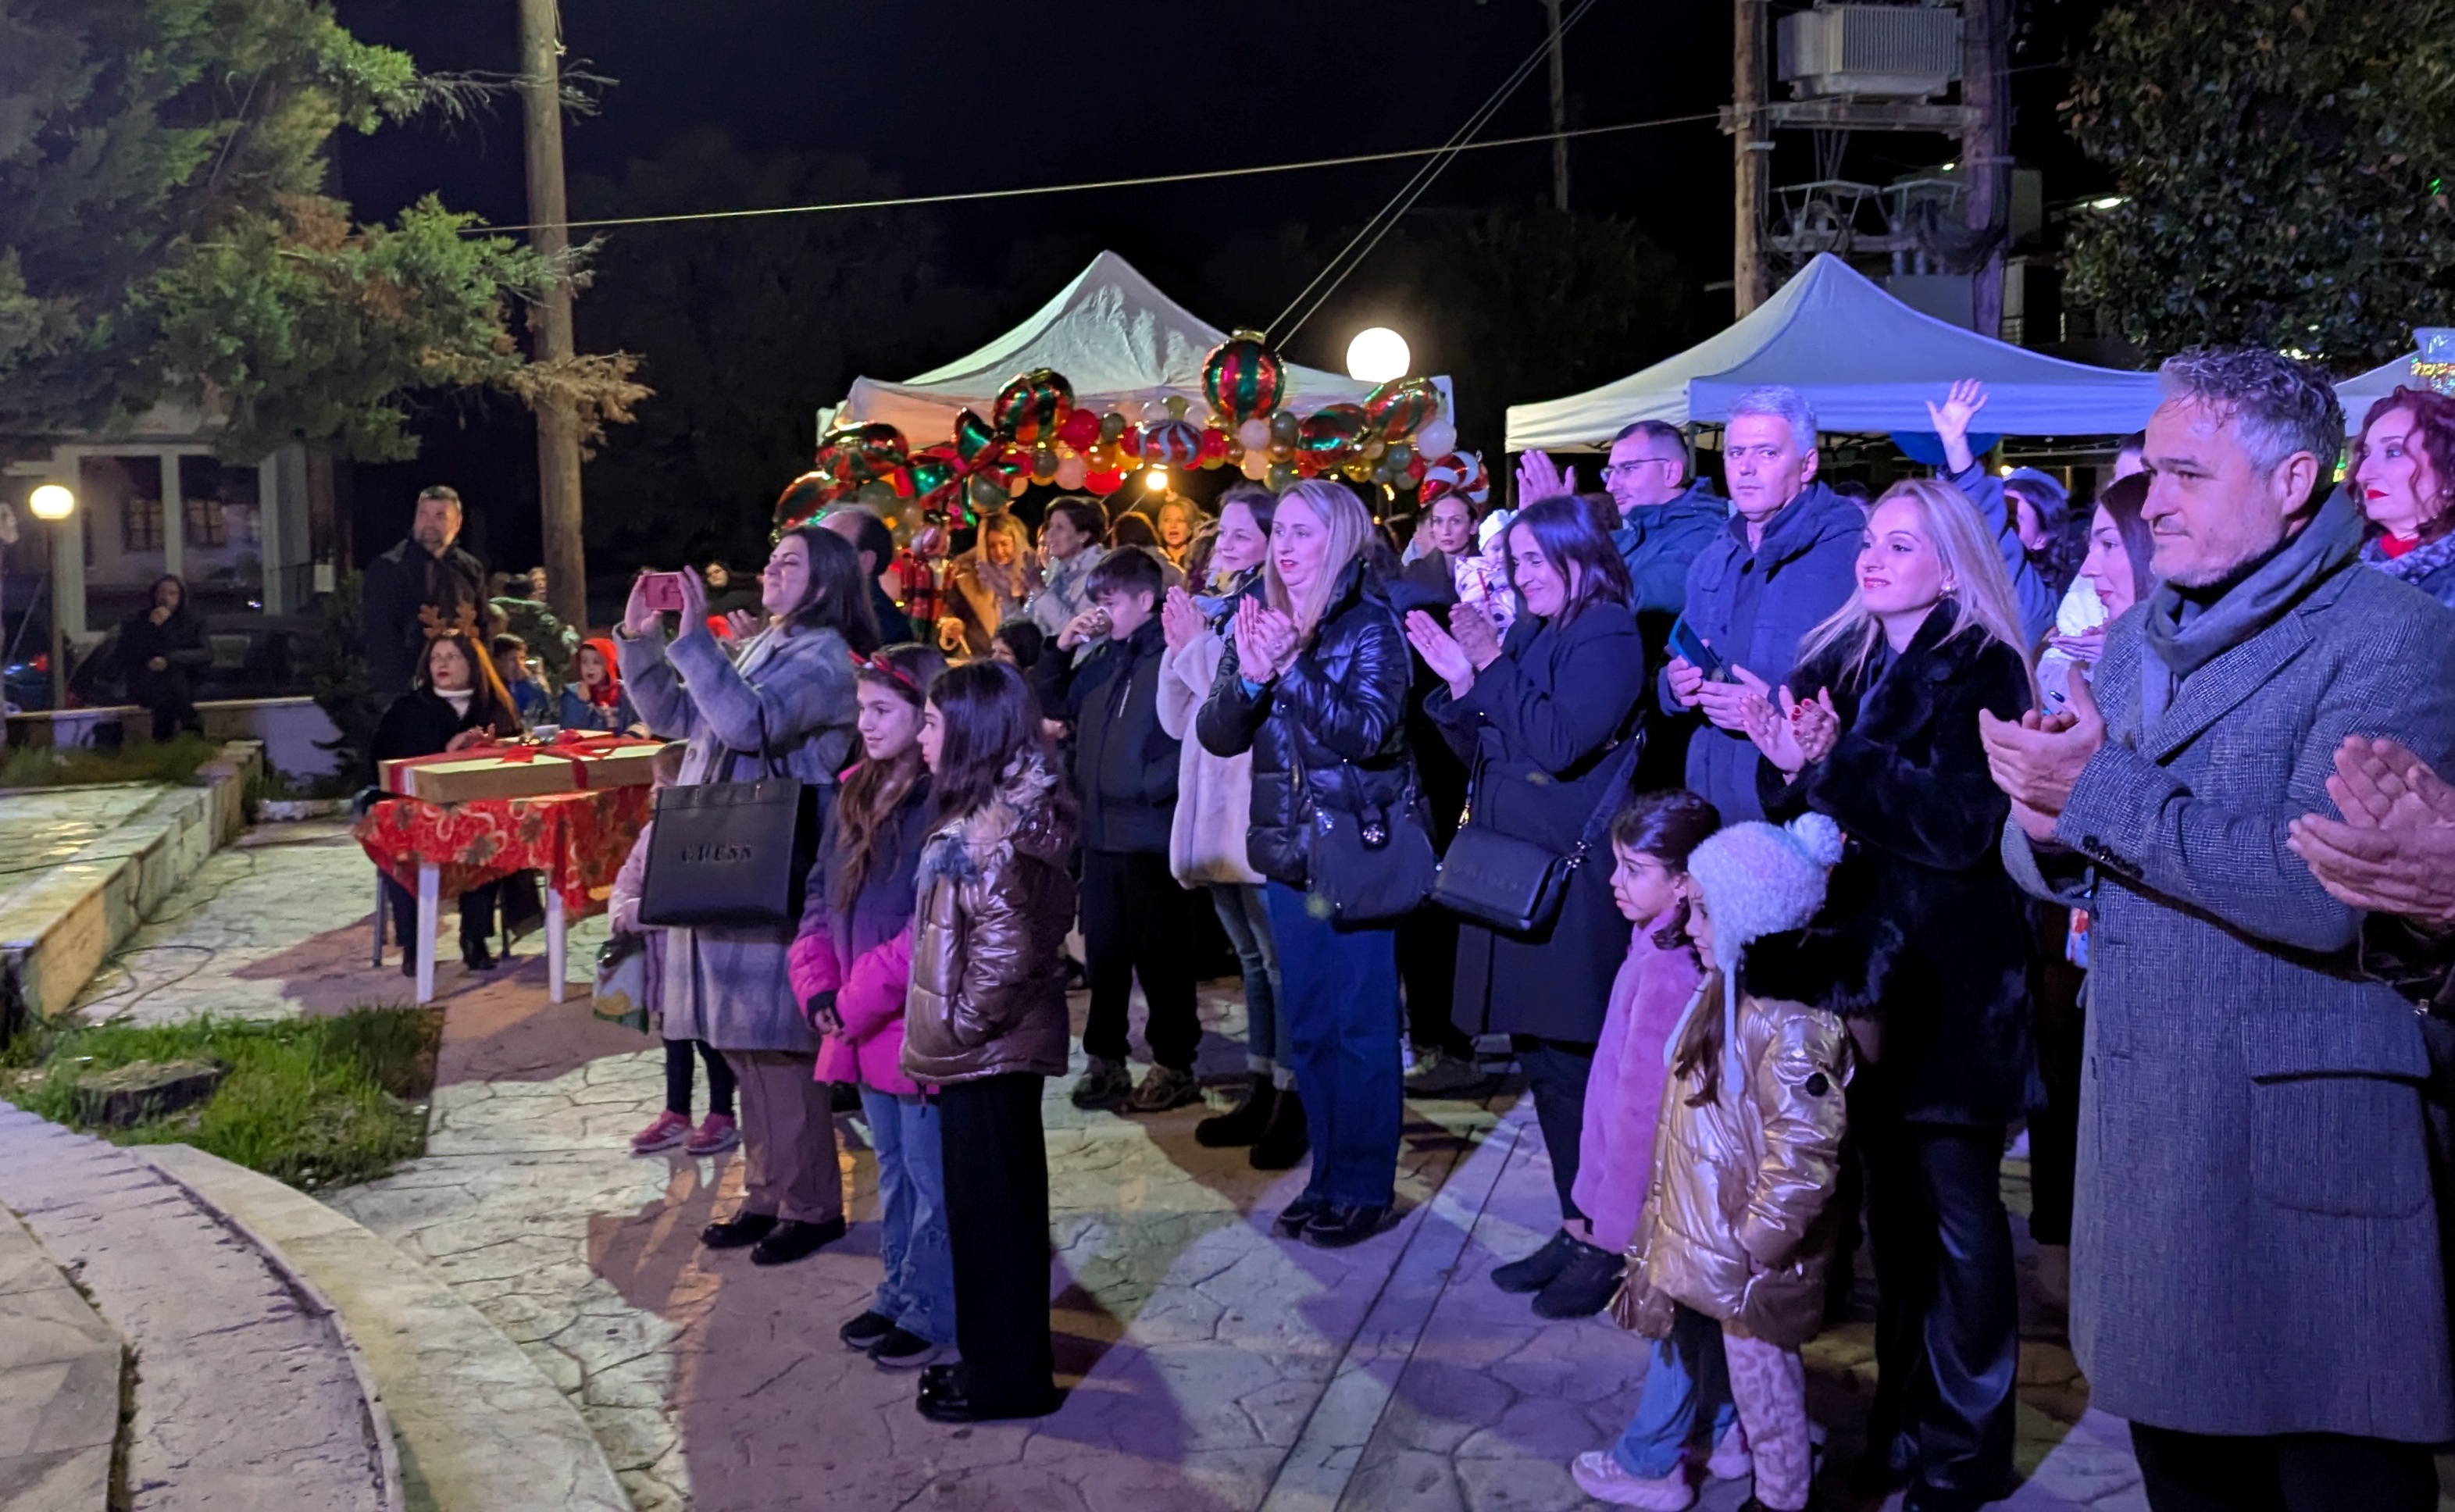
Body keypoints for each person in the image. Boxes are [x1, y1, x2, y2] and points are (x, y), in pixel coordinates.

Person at [1984, 348, 2455, 1512]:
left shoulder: (2389, 636)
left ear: (2292, 481)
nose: (2150, 503)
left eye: (2185, 474)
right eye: (2149, 473)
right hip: (2151, 1158)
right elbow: (2071, 846)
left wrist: (2090, 795)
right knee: (2187, 1486)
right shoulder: (2139, 634)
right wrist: (2040, 823)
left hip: (2302, 1170)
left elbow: (2319, 889)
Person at [1741, 478, 2036, 1509]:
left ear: (1948, 567)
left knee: (1959, 1223)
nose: (1871, 557)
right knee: (1889, 1223)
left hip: (1951, 987)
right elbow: (1803, 804)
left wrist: (1837, 759)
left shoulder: (1985, 665)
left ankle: (1964, 1451)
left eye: (1900, 543)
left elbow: (1957, 826)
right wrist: (1786, 762)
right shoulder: (1838, 655)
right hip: (1856, 982)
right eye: (1869, 539)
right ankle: (1901, 1423)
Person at [1406, 495, 1650, 1315]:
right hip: (1518, 866)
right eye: (1515, 564)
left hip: (1572, 882)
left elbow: (1557, 742)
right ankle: (1576, 1223)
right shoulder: (1533, 633)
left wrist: (1487, 665)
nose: (1523, 577)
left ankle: (1609, 1240)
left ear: (1582, 558)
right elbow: (1488, 745)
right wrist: (1459, 684)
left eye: (1537, 562)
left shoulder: (1607, 633)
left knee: (1580, 1069)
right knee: (1544, 1066)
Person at [1571, 812, 1854, 1512]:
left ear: (1748, 916)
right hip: (1714, 1243)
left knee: (1769, 1389)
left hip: (1750, 1258)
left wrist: (1757, 1241)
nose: (1689, 925)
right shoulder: (1722, 991)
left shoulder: (1789, 1024)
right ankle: (1734, 1450)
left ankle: (1782, 1500)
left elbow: (1803, 1155)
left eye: (1702, 910)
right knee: (1744, 1379)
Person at [616, 523, 874, 1268]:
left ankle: (811, 1206)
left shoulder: (824, 658)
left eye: (789, 563)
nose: (770, 570)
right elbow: (675, 716)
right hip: (725, 862)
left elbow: (744, 722)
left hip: (771, 868)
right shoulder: (769, 645)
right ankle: (765, 1194)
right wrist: (641, 640)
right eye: (771, 559)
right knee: (740, 1045)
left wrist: (698, 640)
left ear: (825, 582)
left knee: (780, 1052)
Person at [1198, 480, 1422, 1250]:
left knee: (1361, 1029)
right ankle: (1327, 1175)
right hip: (1288, 854)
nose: (1285, 547)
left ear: (1343, 538)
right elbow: (1217, 732)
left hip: (1355, 854)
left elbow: (1368, 732)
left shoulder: (1370, 623)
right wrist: (1253, 675)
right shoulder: (1259, 616)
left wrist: (1291, 667)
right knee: (1313, 1028)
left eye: (1303, 532)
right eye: (1281, 532)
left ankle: (1363, 1187)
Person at [901, 660, 1078, 1424]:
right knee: (984, 1215)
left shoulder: (995, 837)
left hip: (989, 1053)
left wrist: (956, 1028)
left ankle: (1009, 1381)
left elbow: (1007, 957)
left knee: (997, 1221)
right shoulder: (986, 821)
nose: (920, 737)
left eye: (931, 723)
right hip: (982, 1051)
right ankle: (989, 1362)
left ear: (970, 735)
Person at [791, 643, 955, 1371]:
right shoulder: (853, 792)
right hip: (857, 1019)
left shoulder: (940, 803)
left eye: (882, 709)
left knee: (930, 1176)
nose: (866, 723)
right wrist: (817, 985)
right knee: (891, 1168)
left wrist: (854, 999)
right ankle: (899, 1290)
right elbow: (819, 896)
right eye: (862, 709)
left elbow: (928, 928)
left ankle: (935, 1306)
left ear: (927, 715)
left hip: (907, 1021)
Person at [1157, 485, 1302, 1164]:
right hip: (1209, 810)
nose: (1225, 547)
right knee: (1249, 960)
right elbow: (1178, 719)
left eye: (1241, 535)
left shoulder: (1275, 607)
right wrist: (1177, 650)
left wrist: (1193, 648)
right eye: (1223, 536)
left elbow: (1237, 705)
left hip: (1249, 806)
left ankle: (1293, 1098)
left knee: (1278, 962)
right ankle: (1260, 1083)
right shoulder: (1217, 607)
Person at [1037, 546, 1200, 1114]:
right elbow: (1055, 703)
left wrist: (1154, 784)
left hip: (1150, 831)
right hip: (1101, 830)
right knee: (1103, 955)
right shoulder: (1103, 658)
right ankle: (1105, 1058)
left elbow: (1192, 731)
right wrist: (1060, 648)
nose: (1101, 613)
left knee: (1161, 957)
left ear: (1145, 600)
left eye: (1111, 602)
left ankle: (1174, 1062)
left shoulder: (1172, 656)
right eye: (1097, 603)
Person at [1662, 387, 1861, 824]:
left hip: (1799, 810)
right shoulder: (1716, 553)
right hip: (1709, 800)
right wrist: (1676, 686)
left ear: (1807, 465)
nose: (1746, 468)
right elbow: (1676, 658)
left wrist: (1769, 709)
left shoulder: (1852, 553)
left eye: (1767, 453)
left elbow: (1873, 688)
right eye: (1736, 453)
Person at [1561, 790, 1719, 1324]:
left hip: (1643, 1194)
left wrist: (1617, 1216)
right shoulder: (1650, 939)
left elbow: (1641, 1106)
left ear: (1681, 881)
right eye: (1617, 865)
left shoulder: (1669, 965)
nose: (1614, 881)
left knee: (1668, 1324)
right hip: (1620, 1174)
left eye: (1633, 869)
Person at [373, 628, 527, 973]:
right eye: (436, 658)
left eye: (452, 657)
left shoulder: (496, 706)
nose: (441, 664)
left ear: (472, 664)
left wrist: (492, 750)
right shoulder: (408, 709)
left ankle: (474, 938)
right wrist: (446, 752)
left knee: (489, 832)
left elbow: (516, 759)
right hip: (416, 807)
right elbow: (385, 764)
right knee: (402, 843)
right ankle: (414, 946)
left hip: (478, 805)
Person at [619, 743, 741, 1159]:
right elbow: (629, 878)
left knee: (708, 1041)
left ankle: (722, 1115)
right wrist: (620, 909)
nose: (654, 792)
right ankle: (677, 1113)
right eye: (654, 784)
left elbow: (682, 901)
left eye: (664, 784)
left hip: (694, 962)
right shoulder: (650, 835)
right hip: (661, 961)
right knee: (673, 1036)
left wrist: (638, 913)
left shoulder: (704, 840)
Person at [1927, 379, 2067, 648]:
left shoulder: (2031, 600)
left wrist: (1956, 446)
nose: (2000, 526)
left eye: (2012, 521)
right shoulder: (1959, 579)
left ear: (2042, 539)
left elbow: (1985, 521)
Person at [363, 484, 488, 701]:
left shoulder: (470, 569)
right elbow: (381, 637)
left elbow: (483, 627)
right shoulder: (389, 569)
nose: (428, 524)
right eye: (423, 514)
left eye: (440, 516)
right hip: (405, 693)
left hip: (463, 690)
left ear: (457, 523)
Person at [2350, 385, 2455, 608]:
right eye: (2366, 454)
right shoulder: (2345, 570)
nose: (2363, 474)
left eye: (2393, 452)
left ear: (2448, 471)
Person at [116, 573, 212, 740]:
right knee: (167, 681)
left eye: (172, 593)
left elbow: (206, 653)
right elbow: (127, 652)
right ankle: (191, 724)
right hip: (146, 680)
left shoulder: (193, 622)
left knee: (171, 677)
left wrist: (169, 659)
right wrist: (153, 627)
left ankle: (165, 737)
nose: (165, 598)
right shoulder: (138, 621)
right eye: (161, 593)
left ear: (181, 597)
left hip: (184, 681)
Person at [940, 511, 1041, 657]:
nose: (999, 551)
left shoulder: (1033, 579)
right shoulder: (968, 583)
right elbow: (950, 615)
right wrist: (951, 626)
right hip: (983, 662)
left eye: (1004, 544)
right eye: (992, 546)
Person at [819, 505, 915, 644]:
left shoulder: (878, 625)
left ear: (866, 561)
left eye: (831, 546)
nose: (813, 555)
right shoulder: (830, 610)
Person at [1028, 497, 1109, 644]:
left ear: (1083, 536)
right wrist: (1008, 601)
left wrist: (1040, 591)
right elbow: (1029, 633)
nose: (1050, 535)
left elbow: (1077, 633)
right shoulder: (1054, 568)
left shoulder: (1101, 574)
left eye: (1059, 528)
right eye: (1050, 526)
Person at [555, 637, 640, 734]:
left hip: (626, 743)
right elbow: (569, 731)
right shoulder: (572, 693)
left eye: (596, 662)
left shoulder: (627, 691)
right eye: (584, 662)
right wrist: (581, 703)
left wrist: (633, 735)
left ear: (609, 664)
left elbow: (644, 721)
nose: (590, 667)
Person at [489, 633, 551, 725]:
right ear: (497, 662)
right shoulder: (490, 689)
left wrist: (531, 681)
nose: (519, 664)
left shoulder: (528, 683)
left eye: (522, 658)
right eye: (512, 659)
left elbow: (544, 708)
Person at [1154, 495, 1204, 571]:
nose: (1173, 525)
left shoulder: (1201, 560)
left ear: (1190, 528)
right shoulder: (1152, 560)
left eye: (1180, 520)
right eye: (1168, 520)